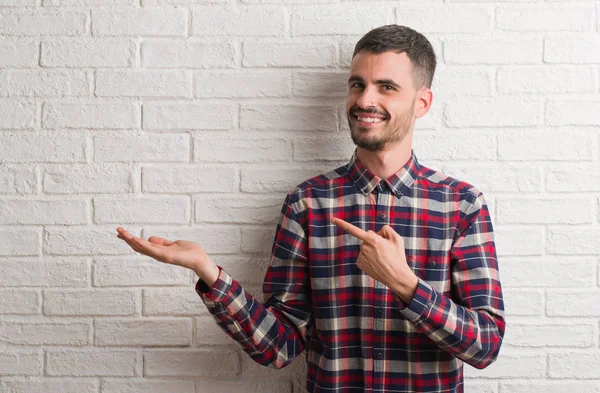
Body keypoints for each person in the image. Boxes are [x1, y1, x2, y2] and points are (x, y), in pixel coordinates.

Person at [117, 24, 505, 393]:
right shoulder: (308, 203)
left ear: (422, 102)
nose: (365, 100)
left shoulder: (461, 205)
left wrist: (405, 285)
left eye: (386, 87)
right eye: (358, 84)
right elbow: (278, 346)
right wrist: (208, 272)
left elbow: (485, 346)